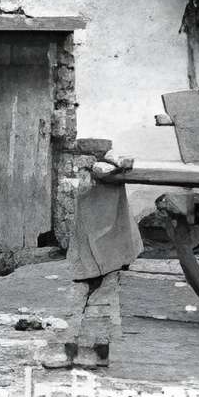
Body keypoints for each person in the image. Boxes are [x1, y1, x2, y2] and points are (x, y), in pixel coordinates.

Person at [43, 134, 141, 371]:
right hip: (110, 251)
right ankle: (99, 354)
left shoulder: (97, 175)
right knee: (105, 304)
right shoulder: (113, 173)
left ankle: (71, 354)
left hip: (96, 252)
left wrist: (89, 167)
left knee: (78, 305)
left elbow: (95, 175)